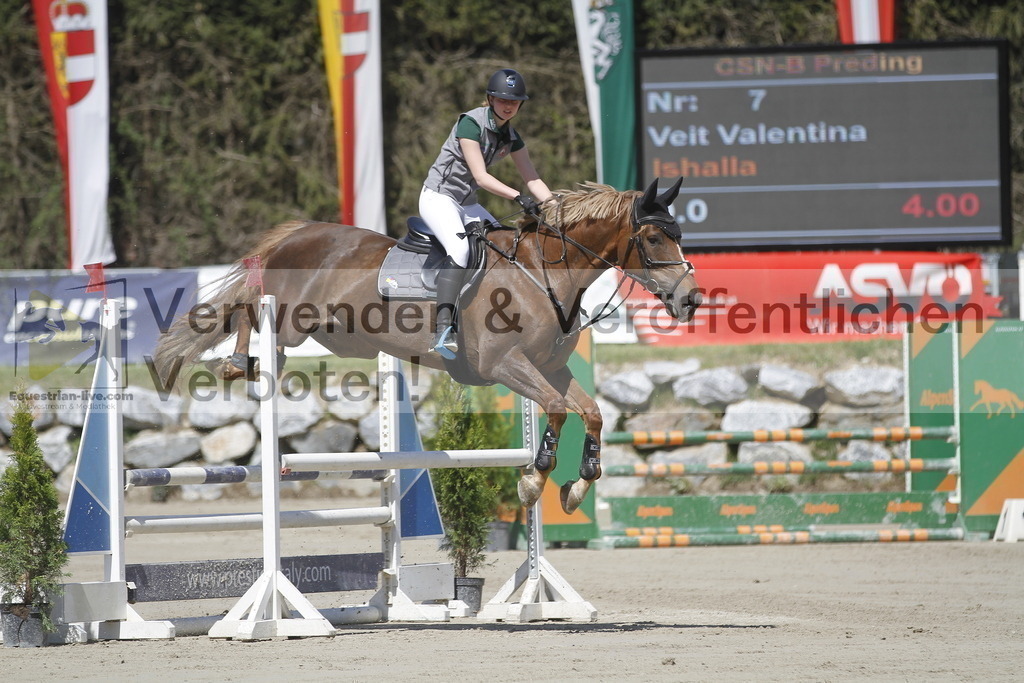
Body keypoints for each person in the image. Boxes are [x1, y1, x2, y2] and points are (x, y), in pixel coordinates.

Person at [420, 67, 553, 360]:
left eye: (514, 101)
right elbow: (480, 177)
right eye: (502, 99)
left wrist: (557, 209)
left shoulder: (511, 136)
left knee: (506, 247)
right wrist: (519, 197)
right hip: (439, 198)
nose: (508, 105)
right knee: (459, 248)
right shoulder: (471, 124)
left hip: (466, 204)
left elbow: (532, 177)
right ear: (490, 99)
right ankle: (443, 328)